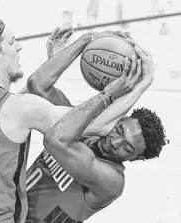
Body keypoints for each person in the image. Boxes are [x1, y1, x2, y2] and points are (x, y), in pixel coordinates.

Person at [0, 18, 136, 223]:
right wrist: (138, 83)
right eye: (12, 42)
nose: (19, 47)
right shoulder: (18, 108)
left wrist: (67, 51)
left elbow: (34, 90)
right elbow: (100, 124)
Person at [25, 34, 168, 222]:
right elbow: (37, 85)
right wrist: (77, 47)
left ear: (136, 158)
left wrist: (141, 84)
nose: (115, 142)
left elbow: (56, 139)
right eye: (119, 130)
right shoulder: (81, 128)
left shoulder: (111, 182)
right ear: (119, 119)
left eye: (127, 148)